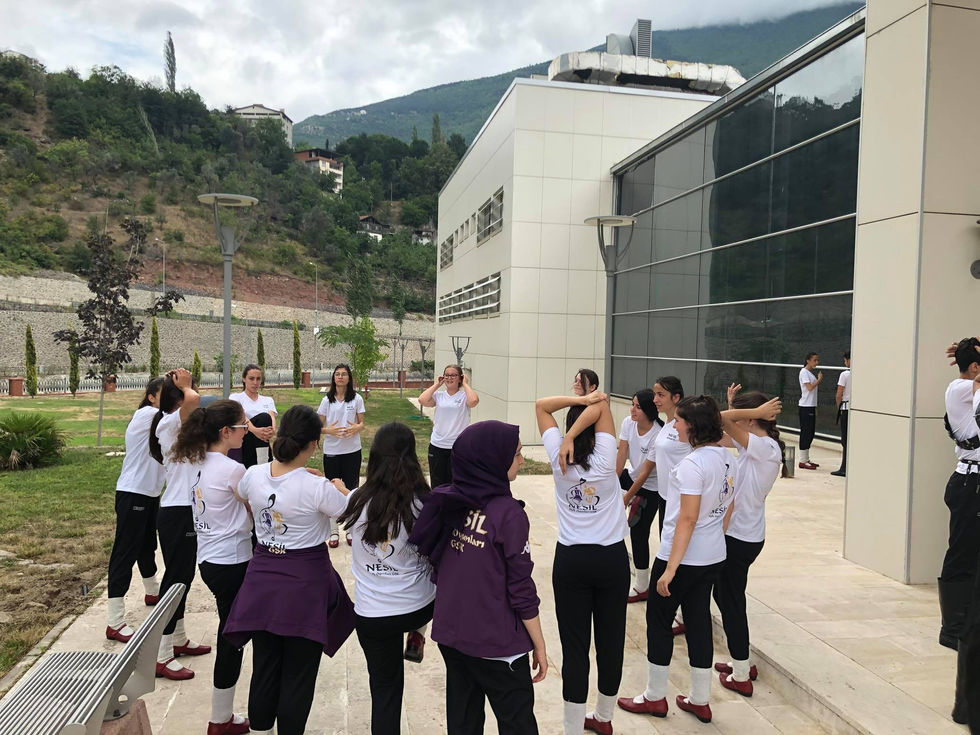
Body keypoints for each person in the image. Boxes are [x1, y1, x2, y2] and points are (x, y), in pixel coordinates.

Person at [223, 404, 355, 735]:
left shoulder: (254, 475)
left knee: (265, 666)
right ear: (313, 444)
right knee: (299, 673)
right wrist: (338, 487)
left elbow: (241, 494)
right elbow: (348, 511)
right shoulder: (317, 487)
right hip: (304, 586)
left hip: (262, 580)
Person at [409, 420, 546, 735]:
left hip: (453, 636)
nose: (523, 460)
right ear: (491, 461)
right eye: (517, 454)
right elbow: (521, 589)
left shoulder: (449, 501)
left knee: (464, 722)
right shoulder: (509, 515)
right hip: (497, 644)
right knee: (518, 724)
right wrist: (538, 644)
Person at [618, 395, 735, 725]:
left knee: (658, 622)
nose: (675, 426)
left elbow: (688, 518)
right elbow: (729, 505)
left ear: (693, 427)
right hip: (712, 556)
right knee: (698, 621)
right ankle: (700, 699)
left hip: (681, 558)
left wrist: (670, 569)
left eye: (679, 421)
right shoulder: (728, 460)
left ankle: (654, 696)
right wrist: (716, 538)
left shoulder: (691, 466)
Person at [536, 391, 629, 735]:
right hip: (611, 559)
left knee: (575, 649)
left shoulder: (557, 455)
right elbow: (601, 405)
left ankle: (572, 729)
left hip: (572, 560)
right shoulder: (606, 456)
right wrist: (584, 414)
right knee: (611, 642)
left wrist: (567, 437)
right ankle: (604, 718)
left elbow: (541, 406)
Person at [337, 422, 435, 735]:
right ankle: (417, 634)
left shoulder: (356, 500)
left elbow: (348, 499)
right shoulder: (425, 502)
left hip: (372, 615)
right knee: (434, 572)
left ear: (374, 457)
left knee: (385, 692)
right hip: (420, 608)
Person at [171, 399, 252, 735]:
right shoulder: (233, 470)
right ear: (226, 431)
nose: (246, 431)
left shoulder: (197, 462)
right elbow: (254, 506)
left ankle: (222, 716)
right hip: (233, 561)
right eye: (243, 426)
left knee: (230, 631)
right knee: (232, 639)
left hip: (209, 560)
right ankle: (220, 719)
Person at [712, 388, 783, 697]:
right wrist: (738, 408)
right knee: (724, 596)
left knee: (731, 602)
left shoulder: (765, 447)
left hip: (742, 538)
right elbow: (724, 425)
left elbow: (719, 419)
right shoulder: (754, 445)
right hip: (739, 534)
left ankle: (741, 673)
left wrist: (744, 413)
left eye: (745, 417)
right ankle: (741, 659)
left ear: (752, 419)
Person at [149, 368, 209, 681]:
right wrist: (185, 384)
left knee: (184, 577)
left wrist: (183, 386)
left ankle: (178, 639)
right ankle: (160, 655)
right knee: (174, 581)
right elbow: (194, 400)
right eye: (186, 390)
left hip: (187, 509)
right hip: (177, 512)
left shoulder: (178, 423)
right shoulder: (168, 422)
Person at [105, 377, 165, 643]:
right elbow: (179, 416)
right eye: (166, 394)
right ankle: (115, 621)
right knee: (125, 552)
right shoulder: (148, 415)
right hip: (133, 493)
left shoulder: (158, 417)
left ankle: (152, 592)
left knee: (147, 545)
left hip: (149, 492)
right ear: (151, 397)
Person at [938, 337, 980, 651]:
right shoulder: (962, 388)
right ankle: (952, 630)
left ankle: (968, 626)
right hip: (970, 484)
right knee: (961, 555)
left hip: (970, 484)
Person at [651, 376, 691, 636]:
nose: (655, 399)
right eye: (655, 394)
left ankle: (684, 613)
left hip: (681, 503)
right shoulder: (667, 424)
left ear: (676, 397)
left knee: (678, 557)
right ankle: (678, 609)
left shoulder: (685, 426)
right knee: (669, 552)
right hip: (665, 498)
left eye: (661, 395)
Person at [618, 388, 664, 604]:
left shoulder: (658, 434)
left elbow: (645, 473)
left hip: (650, 487)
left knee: (638, 532)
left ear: (649, 410)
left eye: (638, 407)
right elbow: (621, 454)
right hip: (631, 476)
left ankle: (642, 585)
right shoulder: (628, 423)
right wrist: (612, 483)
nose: (632, 410)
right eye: (632, 404)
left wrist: (627, 498)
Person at [318, 363, 366, 548]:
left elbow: (361, 424)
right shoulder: (326, 401)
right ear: (333, 378)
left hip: (352, 451)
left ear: (349, 378)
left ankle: (351, 529)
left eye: (344, 374)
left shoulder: (357, 399)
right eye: (337, 374)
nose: (340, 377)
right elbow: (318, 427)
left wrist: (356, 428)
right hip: (332, 451)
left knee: (352, 489)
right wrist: (329, 430)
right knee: (332, 490)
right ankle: (334, 531)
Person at [419, 365, 479, 489]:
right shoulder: (439, 396)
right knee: (438, 484)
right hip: (437, 446)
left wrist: (465, 384)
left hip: (457, 447)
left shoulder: (464, 396)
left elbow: (474, 401)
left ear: (460, 378)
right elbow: (422, 400)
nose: (449, 378)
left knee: (457, 483)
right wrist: (437, 384)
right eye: (447, 375)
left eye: (453, 375)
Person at [229, 364, 277, 467]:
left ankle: (262, 462)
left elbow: (272, 417)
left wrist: (272, 430)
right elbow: (241, 417)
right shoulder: (236, 398)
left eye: (258, 379)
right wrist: (255, 430)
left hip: (263, 438)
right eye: (251, 378)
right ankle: (263, 463)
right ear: (244, 379)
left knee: (265, 418)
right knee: (263, 417)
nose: (255, 382)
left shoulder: (268, 400)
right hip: (244, 436)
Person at [798, 352, 822, 470]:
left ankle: (806, 459)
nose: (816, 362)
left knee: (810, 432)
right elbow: (809, 388)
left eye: (817, 360)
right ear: (808, 360)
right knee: (806, 432)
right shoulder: (804, 372)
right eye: (814, 360)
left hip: (810, 406)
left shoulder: (809, 373)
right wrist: (819, 380)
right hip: (805, 406)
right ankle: (802, 460)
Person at [832, 351, 851, 477]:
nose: (845, 363)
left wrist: (838, 406)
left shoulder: (845, 374)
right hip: (856, 409)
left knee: (845, 439)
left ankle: (844, 467)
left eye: (845, 360)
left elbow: (839, 394)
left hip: (846, 408)